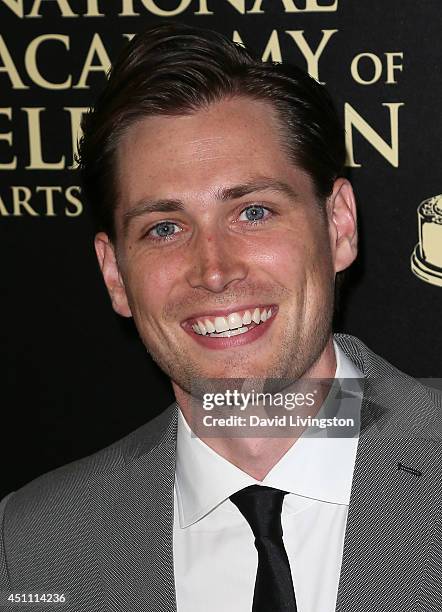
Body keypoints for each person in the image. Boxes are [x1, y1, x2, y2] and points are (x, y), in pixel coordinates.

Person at [0, 22, 441, 612]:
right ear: (114, 273)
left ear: (338, 224)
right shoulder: (34, 542)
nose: (213, 270)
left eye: (253, 212)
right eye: (164, 228)